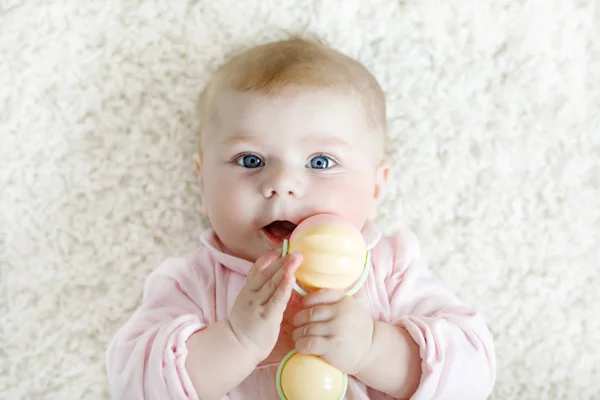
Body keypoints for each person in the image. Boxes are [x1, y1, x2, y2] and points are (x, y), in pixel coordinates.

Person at [106, 36, 496, 399]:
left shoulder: (390, 269)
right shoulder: (193, 282)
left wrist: (372, 349)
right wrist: (237, 340)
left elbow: (474, 372)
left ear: (376, 188)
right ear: (204, 183)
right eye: (250, 160)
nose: (281, 184)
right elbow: (132, 383)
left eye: (321, 162)